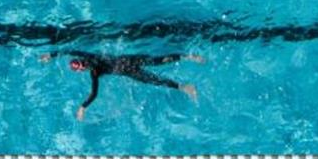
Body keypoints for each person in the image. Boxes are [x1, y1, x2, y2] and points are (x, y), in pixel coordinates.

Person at [40, 50, 205, 120]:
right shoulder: (89, 60)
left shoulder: (94, 71)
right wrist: (52, 55)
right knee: (157, 64)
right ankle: (188, 59)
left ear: (81, 67)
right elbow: (69, 50)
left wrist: (83, 107)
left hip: (128, 68)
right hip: (128, 62)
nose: (84, 66)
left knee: (156, 74)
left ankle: (184, 84)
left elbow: (94, 94)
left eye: (81, 65)